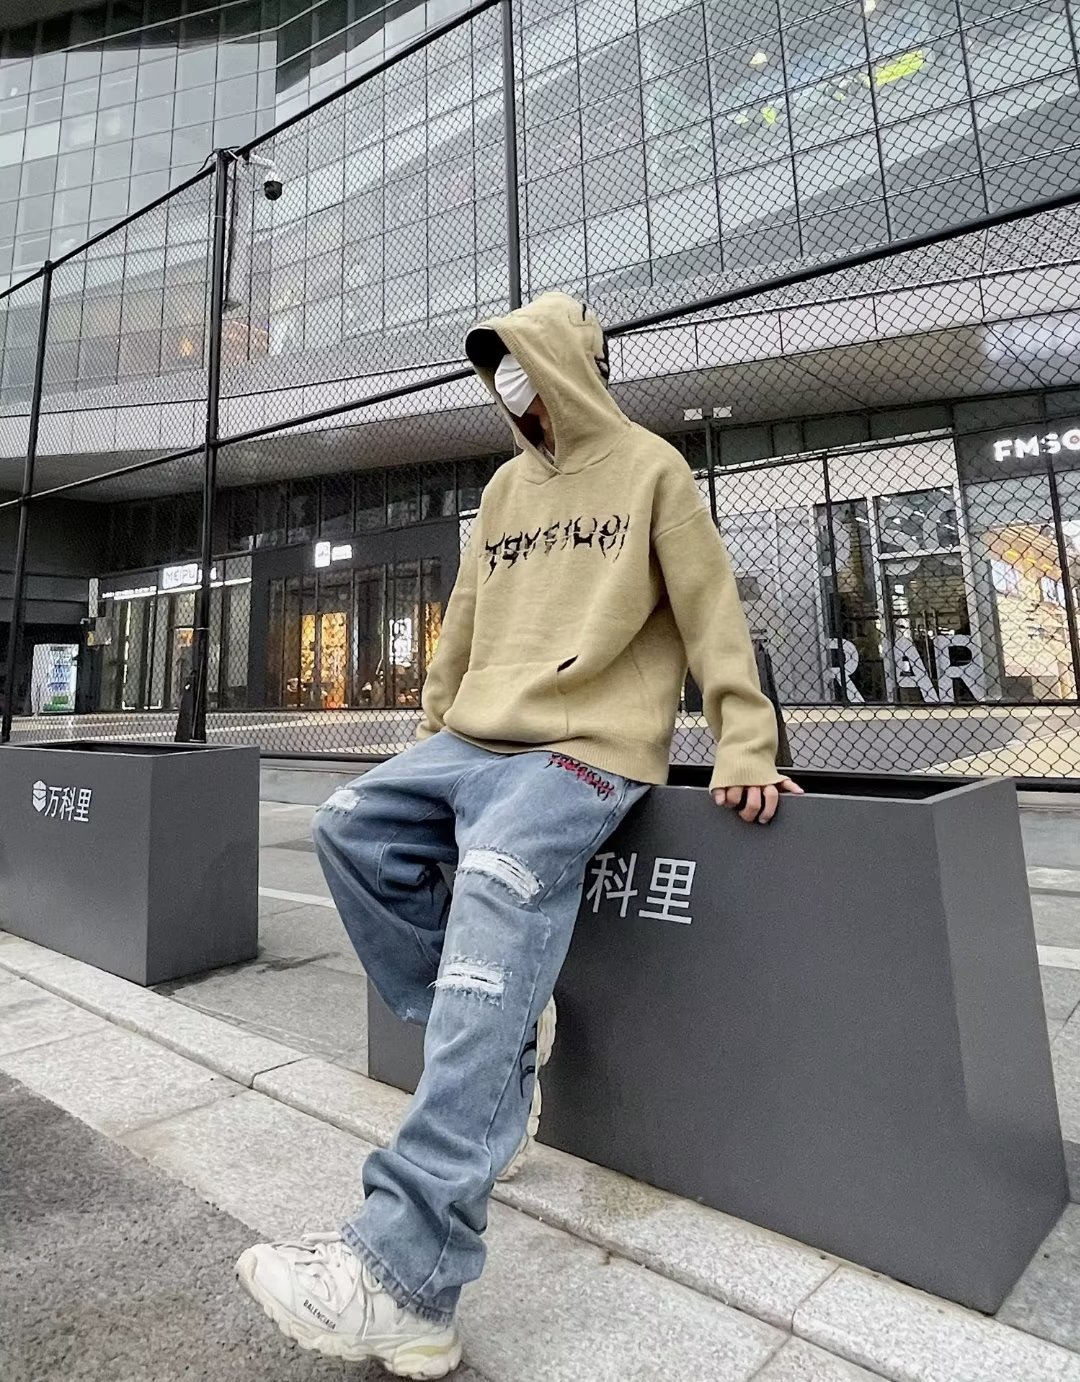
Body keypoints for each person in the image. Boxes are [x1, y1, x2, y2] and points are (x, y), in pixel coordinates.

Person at [235, 292, 801, 1378]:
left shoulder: (652, 471)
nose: (518, 398)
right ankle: (502, 1044)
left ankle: (407, 1279)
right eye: (503, 383)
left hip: (587, 746)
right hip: (475, 738)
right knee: (350, 826)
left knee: (495, 879)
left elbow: (710, 608)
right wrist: (431, 729)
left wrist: (744, 738)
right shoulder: (501, 489)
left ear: (569, 369)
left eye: (529, 374)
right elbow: (467, 620)